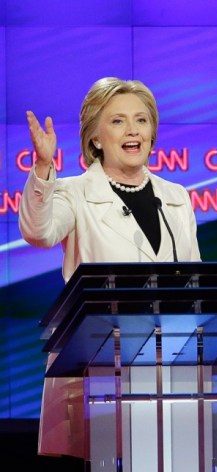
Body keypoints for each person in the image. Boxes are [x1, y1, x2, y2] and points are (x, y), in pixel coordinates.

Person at [19, 77, 202, 458]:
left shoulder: (176, 198)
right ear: (96, 138)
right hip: (101, 367)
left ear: (152, 133)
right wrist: (42, 167)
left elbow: (194, 285)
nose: (133, 130)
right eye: (118, 121)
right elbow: (38, 233)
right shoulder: (74, 193)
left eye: (141, 120)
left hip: (170, 367)